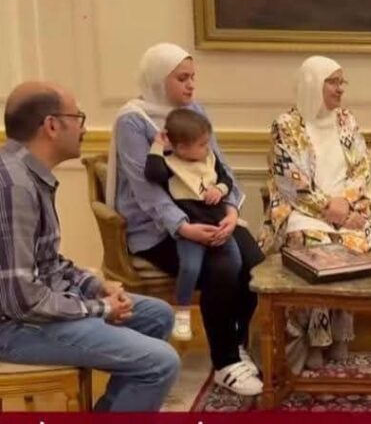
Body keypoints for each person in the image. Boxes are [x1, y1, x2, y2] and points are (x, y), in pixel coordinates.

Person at [0, 81, 180, 412]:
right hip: (9, 329)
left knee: (157, 315)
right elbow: (20, 301)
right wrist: (100, 308)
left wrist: (94, 286)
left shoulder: (23, 173)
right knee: (161, 363)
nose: (84, 128)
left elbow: (45, 262)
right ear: (52, 126)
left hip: (23, 313)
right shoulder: (11, 188)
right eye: (78, 117)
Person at [109, 43, 262, 396]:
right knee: (220, 268)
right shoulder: (132, 121)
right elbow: (146, 190)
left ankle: (235, 341)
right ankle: (225, 362)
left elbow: (218, 165)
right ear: (157, 79)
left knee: (255, 264)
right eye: (182, 78)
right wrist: (184, 227)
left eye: (193, 77)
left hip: (209, 212)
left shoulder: (194, 110)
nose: (191, 85)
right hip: (159, 228)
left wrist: (231, 210)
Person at [260, 55, 371, 374]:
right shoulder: (286, 125)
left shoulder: (347, 121)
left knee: (352, 243)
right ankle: (313, 342)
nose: (341, 89)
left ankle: (338, 334)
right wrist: (328, 208)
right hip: (300, 210)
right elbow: (291, 182)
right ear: (313, 84)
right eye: (333, 82)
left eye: (342, 82)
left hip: (346, 209)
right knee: (316, 245)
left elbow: (362, 170)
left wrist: (349, 209)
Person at [144, 108, 265, 341]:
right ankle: (182, 311)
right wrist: (158, 144)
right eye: (201, 144)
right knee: (190, 268)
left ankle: (237, 328)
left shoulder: (210, 158)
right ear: (181, 148)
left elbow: (226, 179)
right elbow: (152, 172)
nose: (207, 147)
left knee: (236, 264)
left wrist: (219, 189)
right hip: (191, 232)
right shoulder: (169, 165)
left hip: (219, 228)